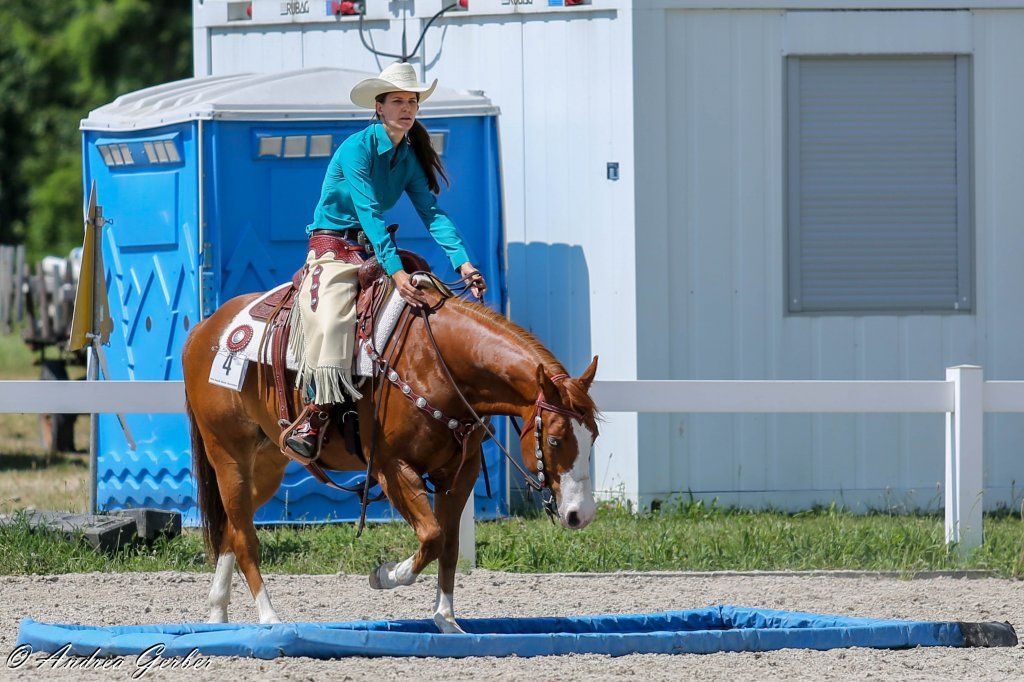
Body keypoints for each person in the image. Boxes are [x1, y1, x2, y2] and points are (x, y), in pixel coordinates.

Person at [283, 61, 487, 462]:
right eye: (397, 101)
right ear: (379, 107)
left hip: (374, 252)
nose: (406, 108)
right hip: (333, 250)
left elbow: (432, 213)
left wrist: (463, 264)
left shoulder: (407, 157)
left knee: (433, 301)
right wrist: (396, 271)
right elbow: (370, 212)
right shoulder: (355, 149)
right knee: (331, 320)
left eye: (412, 101)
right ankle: (315, 413)